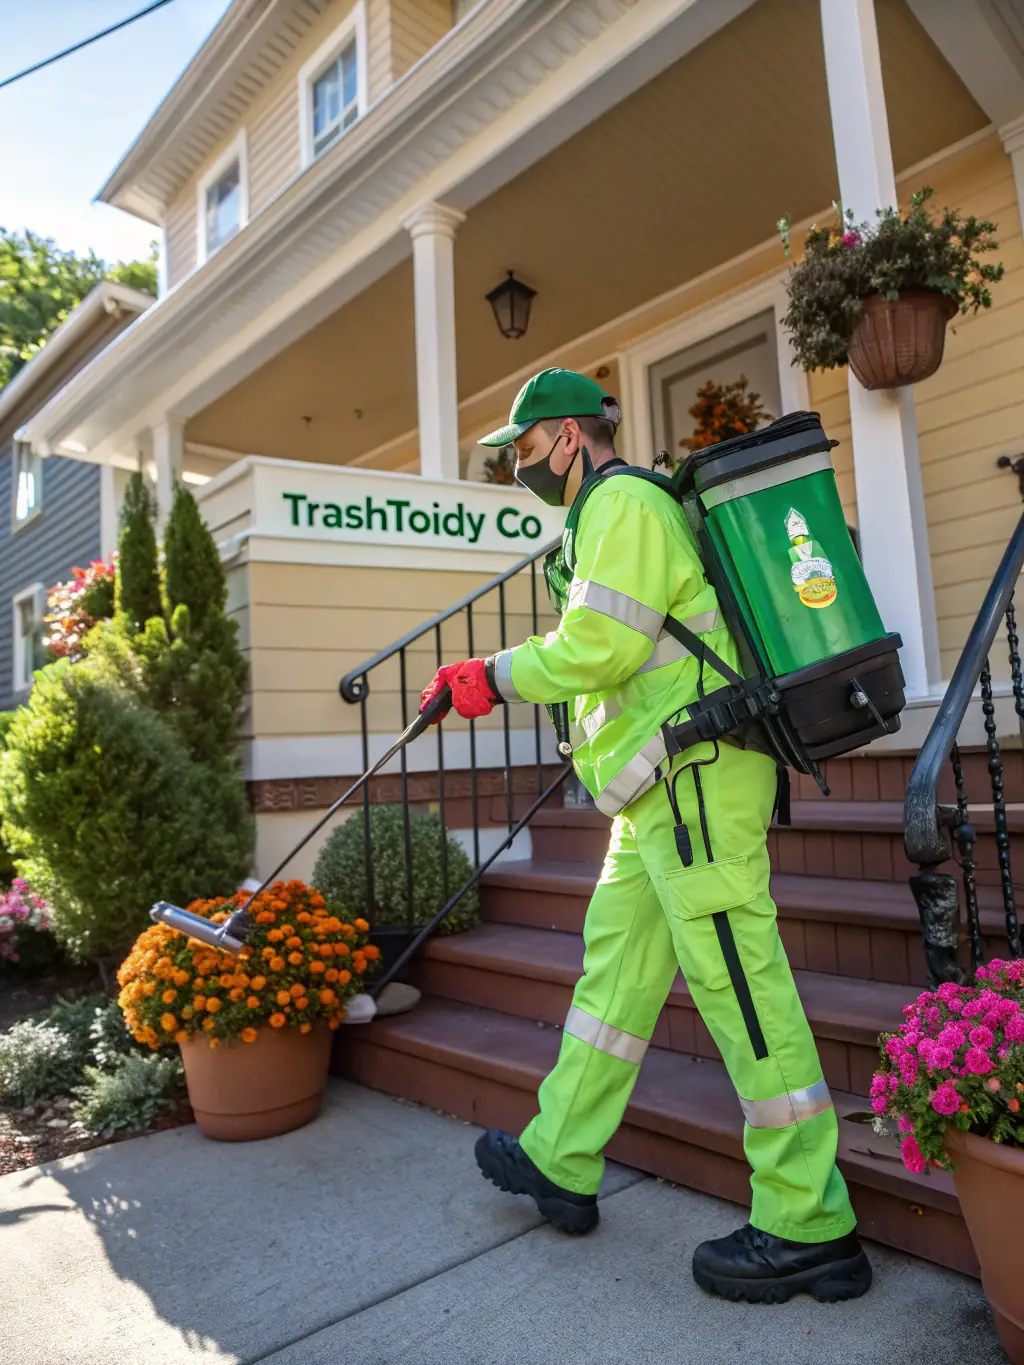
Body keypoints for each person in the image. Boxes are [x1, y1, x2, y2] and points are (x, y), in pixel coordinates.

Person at [418, 367, 871, 1306]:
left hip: (696, 778)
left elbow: (600, 648)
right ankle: (560, 1156)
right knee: (613, 977)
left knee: (740, 983)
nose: (520, 472)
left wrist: (489, 673)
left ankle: (809, 1220)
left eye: (527, 452)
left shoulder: (621, 503)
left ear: (572, 438)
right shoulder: (603, 518)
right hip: (660, 787)